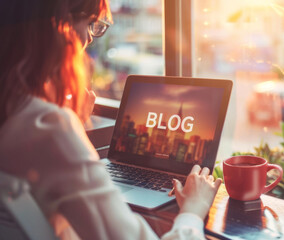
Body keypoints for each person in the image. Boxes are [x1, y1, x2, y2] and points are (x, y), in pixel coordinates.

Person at [0, 1, 222, 239]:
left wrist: (74, 128)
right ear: (58, 26)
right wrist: (192, 211)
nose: (89, 39)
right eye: (90, 24)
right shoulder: (48, 126)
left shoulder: (19, 115)